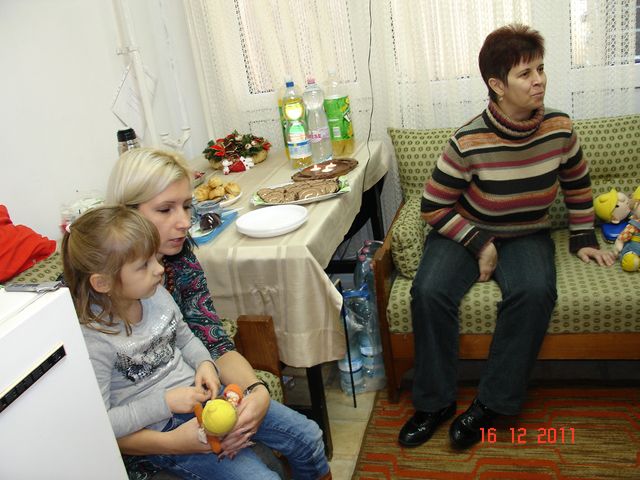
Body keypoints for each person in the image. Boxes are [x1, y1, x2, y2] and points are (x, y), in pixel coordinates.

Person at [398, 24, 616, 450]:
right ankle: (434, 404)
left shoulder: (560, 128)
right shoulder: (467, 140)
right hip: (466, 231)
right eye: (525, 73)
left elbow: (577, 184)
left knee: (535, 293)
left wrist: (583, 237)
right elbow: (433, 206)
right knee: (428, 292)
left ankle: (490, 404)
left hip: (527, 232)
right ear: (497, 85)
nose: (539, 81)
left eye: (540, 69)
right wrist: (481, 244)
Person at [105, 149, 331, 478]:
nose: (184, 222)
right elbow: (95, 421)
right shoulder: (88, 301)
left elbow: (212, 341)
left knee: (309, 438)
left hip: (198, 401)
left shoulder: (179, 262)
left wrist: (256, 391)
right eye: (165, 209)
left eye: (186, 206)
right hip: (156, 432)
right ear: (126, 214)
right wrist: (175, 442)